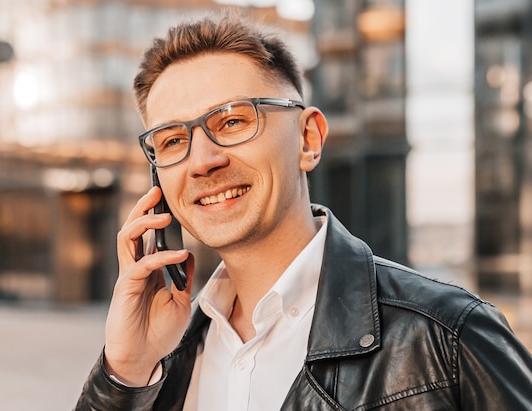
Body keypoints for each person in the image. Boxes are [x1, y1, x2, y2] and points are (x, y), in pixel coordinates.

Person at [75, 12, 532, 410]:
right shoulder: (160, 361)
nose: (202, 161)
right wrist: (127, 372)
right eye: (173, 141)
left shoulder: (447, 338)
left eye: (233, 121)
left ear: (308, 139)